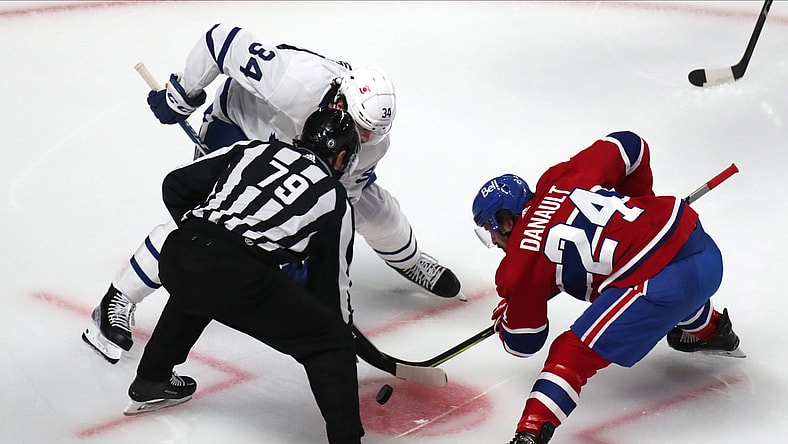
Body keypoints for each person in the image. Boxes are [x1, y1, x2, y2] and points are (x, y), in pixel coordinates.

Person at [82, 23, 461, 363]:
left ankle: (408, 260)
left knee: (377, 212)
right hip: (240, 132)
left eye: (370, 134)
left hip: (301, 153)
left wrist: (305, 256)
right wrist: (183, 92)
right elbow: (222, 40)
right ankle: (119, 297)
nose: (363, 141)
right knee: (204, 223)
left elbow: (336, 200)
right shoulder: (295, 82)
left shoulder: (372, 143)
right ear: (339, 101)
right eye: (360, 130)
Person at [470, 131, 744, 444]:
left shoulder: (519, 262)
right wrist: (643, 202)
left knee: (571, 351)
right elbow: (631, 145)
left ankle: (530, 433)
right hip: (701, 248)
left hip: (661, 287)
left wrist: (509, 315)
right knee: (639, 284)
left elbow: (525, 341)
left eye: (490, 229)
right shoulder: (561, 177)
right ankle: (709, 328)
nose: (493, 240)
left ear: (505, 221)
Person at [123, 108, 365, 443]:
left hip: (178, 254)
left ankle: (152, 379)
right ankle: (347, 438)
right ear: (341, 157)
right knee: (330, 343)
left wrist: (205, 232)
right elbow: (329, 289)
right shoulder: (334, 199)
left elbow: (175, 184)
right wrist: (343, 334)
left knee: (199, 285)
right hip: (238, 275)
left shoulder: (254, 149)